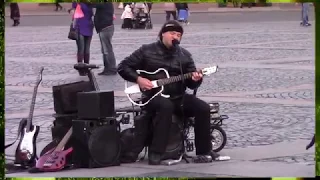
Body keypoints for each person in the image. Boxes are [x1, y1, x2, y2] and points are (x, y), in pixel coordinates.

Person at [117, 20, 220, 165]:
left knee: (202, 108)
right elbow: (123, 67)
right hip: (153, 97)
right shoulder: (146, 51)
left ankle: (204, 151)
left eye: (179, 35)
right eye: (172, 33)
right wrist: (138, 79)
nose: (176, 37)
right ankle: (157, 152)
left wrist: (196, 79)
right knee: (166, 106)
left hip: (178, 96)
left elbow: (190, 84)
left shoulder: (184, 55)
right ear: (162, 34)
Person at [69, 2, 94, 76]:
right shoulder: (77, 3)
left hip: (88, 28)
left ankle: (86, 67)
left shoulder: (90, 3)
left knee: (86, 50)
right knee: (81, 49)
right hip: (80, 28)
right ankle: (81, 69)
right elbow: (73, 12)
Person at [93, 1, 117, 75]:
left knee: (107, 49)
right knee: (105, 49)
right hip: (105, 27)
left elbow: (94, 4)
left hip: (105, 27)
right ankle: (107, 68)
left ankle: (111, 69)